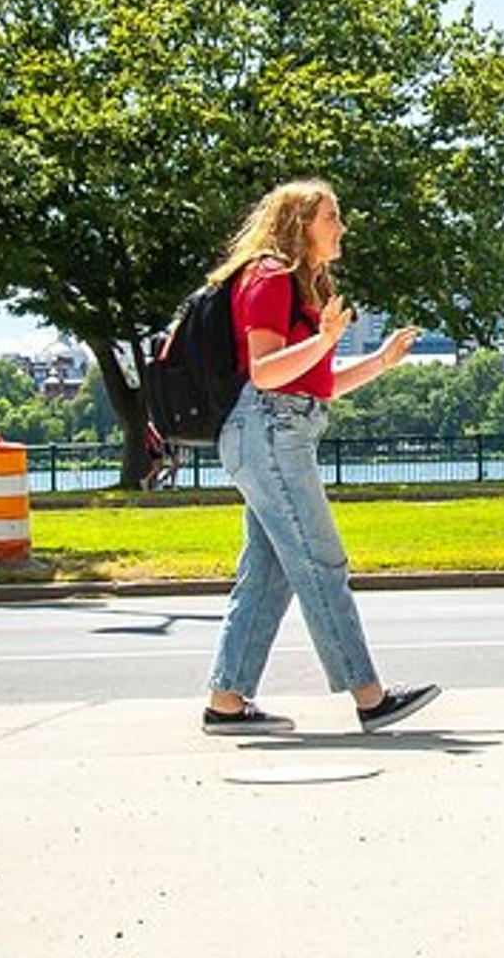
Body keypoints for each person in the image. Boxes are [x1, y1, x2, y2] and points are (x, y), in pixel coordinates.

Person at [202, 179, 439, 736]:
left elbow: (318, 385)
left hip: (279, 431)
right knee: (321, 564)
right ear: (300, 223)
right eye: (332, 216)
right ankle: (369, 697)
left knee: (268, 575)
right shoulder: (269, 276)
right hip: (269, 432)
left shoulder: (298, 286)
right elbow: (267, 372)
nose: (341, 227)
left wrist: (380, 361)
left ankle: (226, 702)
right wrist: (325, 340)